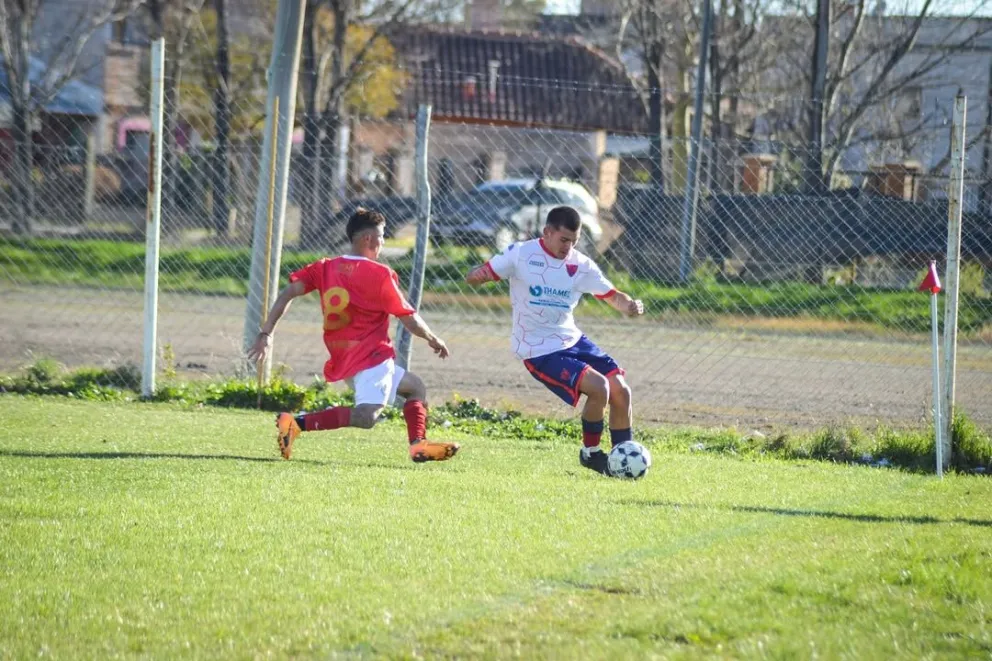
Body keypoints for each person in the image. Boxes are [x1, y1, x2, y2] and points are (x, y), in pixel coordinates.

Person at [247, 208, 460, 464]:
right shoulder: (380, 274)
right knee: (367, 417)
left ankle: (418, 445)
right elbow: (408, 317)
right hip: (371, 356)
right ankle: (296, 424)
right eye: (382, 236)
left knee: (415, 387)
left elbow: (288, 293)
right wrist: (433, 338)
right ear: (368, 239)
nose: (383, 242)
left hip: (345, 357)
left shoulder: (325, 267)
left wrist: (266, 332)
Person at [464, 206, 644, 476]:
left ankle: (623, 459)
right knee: (600, 387)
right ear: (547, 232)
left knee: (621, 390)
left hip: (571, 339)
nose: (568, 247)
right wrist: (480, 275)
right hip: (538, 349)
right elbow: (477, 274)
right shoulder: (521, 254)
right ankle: (591, 454)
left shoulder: (580, 265)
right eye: (564, 240)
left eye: (574, 241)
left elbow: (613, 295)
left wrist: (629, 306)